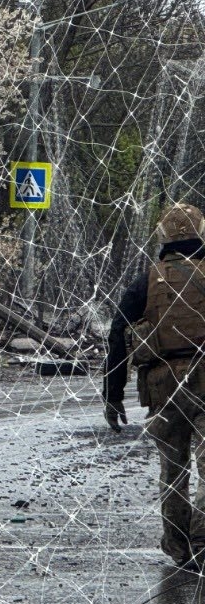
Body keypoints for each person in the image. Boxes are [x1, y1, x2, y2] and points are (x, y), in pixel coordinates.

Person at [104, 202, 205, 568]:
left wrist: (112, 395)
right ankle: (202, 539)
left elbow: (118, 336)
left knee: (173, 471)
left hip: (163, 385)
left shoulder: (145, 281)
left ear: (162, 237)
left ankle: (179, 548)